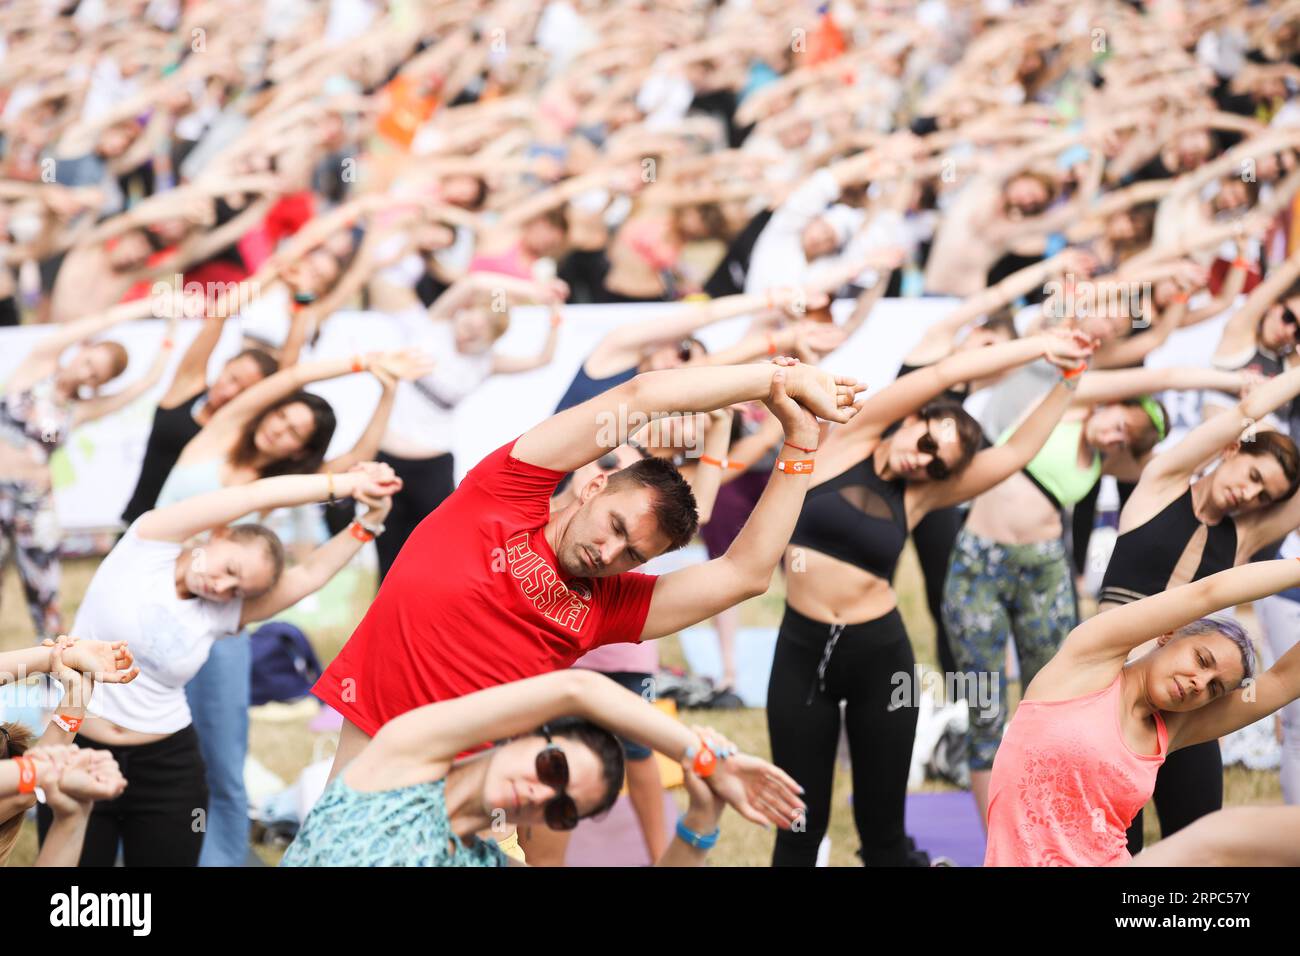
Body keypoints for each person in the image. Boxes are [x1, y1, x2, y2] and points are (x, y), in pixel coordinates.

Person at [314, 356, 863, 834]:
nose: (609, 554)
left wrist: (800, 441)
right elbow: (640, 396)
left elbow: (745, 573)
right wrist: (774, 380)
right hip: (374, 750)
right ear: (594, 485)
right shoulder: (505, 492)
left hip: (480, 793)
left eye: (632, 555)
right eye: (615, 527)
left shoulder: (608, 605)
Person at [769, 328, 1094, 867]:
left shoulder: (922, 496)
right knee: (799, 825)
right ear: (915, 421)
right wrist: (1041, 345)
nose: (925, 461)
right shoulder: (855, 435)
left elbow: (1014, 453)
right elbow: (942, 375)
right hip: (801, 651)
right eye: (926, 443)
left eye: (939, 463)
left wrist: (1068, 381)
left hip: (880, 661)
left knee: (884, 837)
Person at [32, 464, 400, 866]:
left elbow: (309, 574)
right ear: (220, 534)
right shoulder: (148, 543)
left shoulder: (220, 613)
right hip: (79, 749)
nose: (221, 587)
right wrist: (348, 485)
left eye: (237, 590)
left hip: (166, 766)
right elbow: (256, 496)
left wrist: (368, 525)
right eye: (229, 570)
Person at [945, 362, 1249, 826]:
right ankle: (1000, 840)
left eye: (1126, 440)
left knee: (1056, 702)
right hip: (979, 563)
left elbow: (1175, 473)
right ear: (1112, 403)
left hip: (1044, 570)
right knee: (984, 704)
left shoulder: (1108, 456)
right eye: (1120, 423)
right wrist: (1234, 382)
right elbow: (1163, 377)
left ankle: (1049, 825)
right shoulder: (1068, 404)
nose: (1114, 436)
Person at [282, 669, 804, 867]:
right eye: (552, 766)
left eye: (560, 809)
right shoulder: (405, 759)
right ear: (532, 733)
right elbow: (573, 688)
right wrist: (701, 756)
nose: (539, 794)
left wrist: (703, 818)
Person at [1096, 365, 1300, 849]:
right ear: (1231, 449)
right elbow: (1248, 410)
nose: (1249, 494)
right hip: (1112, 692)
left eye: (1263, 494)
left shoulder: (1244, 536)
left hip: (1188, 696)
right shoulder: (1162, 486)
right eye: (1252, 475)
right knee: (1115, 846)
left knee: (1196, 841)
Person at [984, 558, 1300, 867]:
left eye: (1214, 688)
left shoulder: (1171, 729)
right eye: (1202, 660)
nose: (1199, 683)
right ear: (1168, 634)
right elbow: (1209, 593)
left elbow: (1282, 682)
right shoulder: (1088, 661)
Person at [1, 302, 176, 638]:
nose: (86, 373)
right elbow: (99, 317)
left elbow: (147, 382)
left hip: (34, 502)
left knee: (45, 593)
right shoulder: (36, 367)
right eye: (89, 363)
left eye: (97, 375)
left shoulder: (78, 410)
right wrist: (149, 305)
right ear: (83, 350)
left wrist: (171, 330)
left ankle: (54, 672)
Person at [120, 316, 279, 526]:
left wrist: (302, 307)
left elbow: (289, 377)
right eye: (232, 378)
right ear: (225, 365)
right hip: (136, 521)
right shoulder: (185, 390)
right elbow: (217, 317)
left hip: (187, 536)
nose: (230, 391)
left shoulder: (238, 431)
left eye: (243, 391)